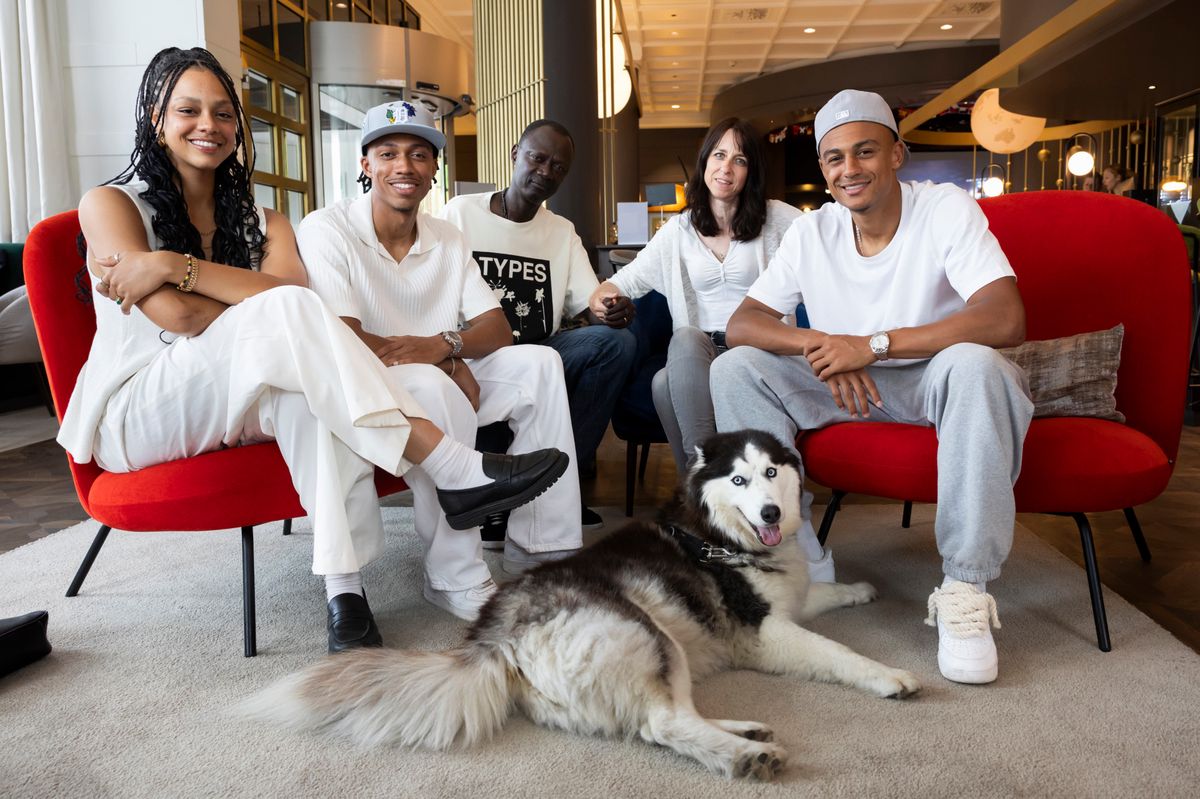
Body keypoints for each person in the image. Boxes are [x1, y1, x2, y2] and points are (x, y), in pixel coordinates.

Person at [58, 47, 568, 654]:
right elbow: (181, 314)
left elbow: (277, 300)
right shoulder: (111, 203)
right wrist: (242, 295)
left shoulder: (266, 222)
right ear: (155, 117)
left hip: (242, 399)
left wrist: (172, 264)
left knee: (307, 394)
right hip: (143, 409)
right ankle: (455, 467)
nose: (210, 126)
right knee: (292, 315)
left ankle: (344, 593)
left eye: (224, 113)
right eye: (188, 110)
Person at [710, 89, 1033, 685]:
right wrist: (830, 345)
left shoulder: (946, 209)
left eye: (865, 152)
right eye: (834, 158)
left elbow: (1005, 318)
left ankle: (965, 587)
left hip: (930, 379)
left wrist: (875, 343)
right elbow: (742, 325)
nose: (849, 169)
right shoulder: (814, 231)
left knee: (980, 365)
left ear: (897, 155)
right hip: (841, 386)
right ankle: (794, 548)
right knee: (734, 367)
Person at [297, 101, 583, 621]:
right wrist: (446, 363)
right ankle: (454, 575)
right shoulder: (326, 228)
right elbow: (345, 339)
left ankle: (542, 547)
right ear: (365, 164)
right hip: (368, 389)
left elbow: (495, 328)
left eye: (419, 155)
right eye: (388, 153)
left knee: (541, 364)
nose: (404, 166)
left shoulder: (447, 236)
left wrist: (444, 347)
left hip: (437, 366)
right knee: (433, 388)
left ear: (435, 170)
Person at [439, 119, 637, 536]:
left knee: (615, 343)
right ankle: (497, 489)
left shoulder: (561, 232)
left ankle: (555, 486)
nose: (546, 172)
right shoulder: (460, 214)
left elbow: (591, 296)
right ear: (515, 155)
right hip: (473, 353)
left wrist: (611, 307)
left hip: (541, 351)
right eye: (537, 158)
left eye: (559, 167)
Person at [588, 118, 801, 474]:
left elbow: (831, 234)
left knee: (662, 383)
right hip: (699, 350)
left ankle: (702, 481)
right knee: (683, 342)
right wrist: (602, 298)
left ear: (751, 172)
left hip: (757, 348)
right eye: (719, 155)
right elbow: (623, 281)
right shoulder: (679, 231)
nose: (726, 168)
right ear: (704, 161)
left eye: (740, 160)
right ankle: (707, 470)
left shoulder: (777, 218)